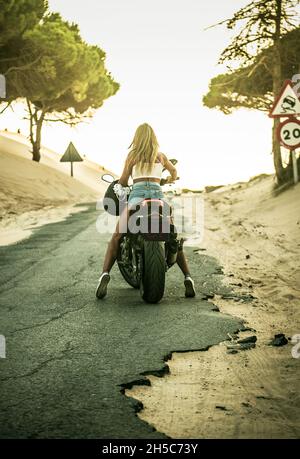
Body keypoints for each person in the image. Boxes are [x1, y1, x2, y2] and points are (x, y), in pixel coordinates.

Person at [96, 123, 196, 299]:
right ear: (154, 138)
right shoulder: (161, 156)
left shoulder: (132, 156)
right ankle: (187, 277)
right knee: (172, 236)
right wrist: (167, 179)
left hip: (137, 198)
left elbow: (124, 180)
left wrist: (123, 184)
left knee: (117, 236)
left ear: (137, 138)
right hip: (158, 197)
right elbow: (174, 172)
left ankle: (105, 274)